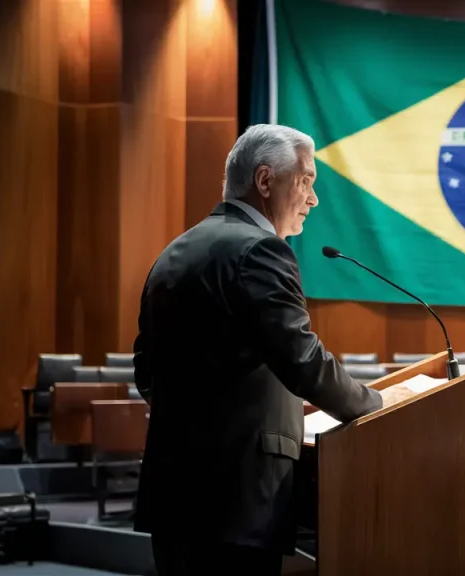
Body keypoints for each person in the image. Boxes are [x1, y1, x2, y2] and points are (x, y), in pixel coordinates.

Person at [132, 124, 383, 575]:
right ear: (266, 181)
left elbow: (146, 372)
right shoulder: (261, 250)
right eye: (306, 181)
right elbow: (305, 363)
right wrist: (379, 407)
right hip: (237, 498)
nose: (314, 199)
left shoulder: (175, 251)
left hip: (172, 493)